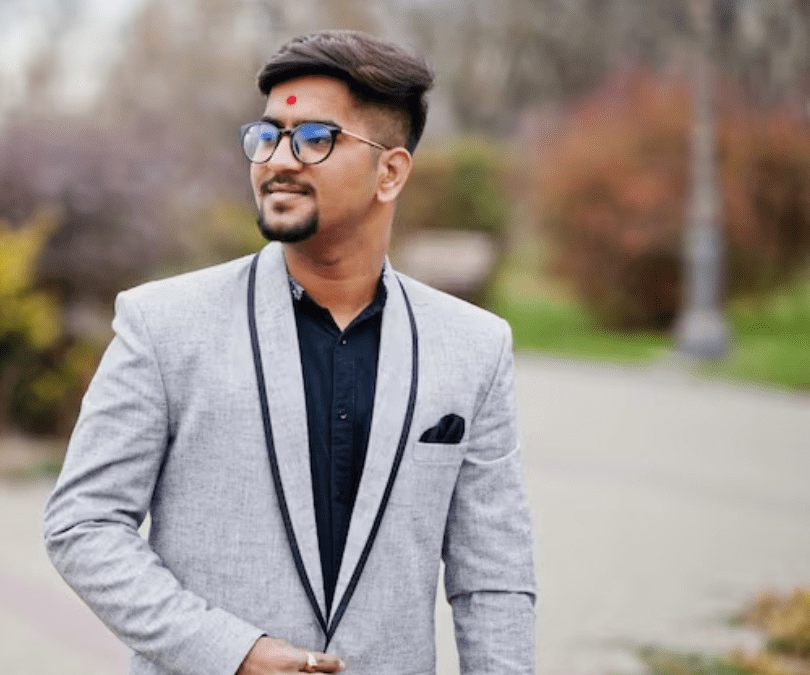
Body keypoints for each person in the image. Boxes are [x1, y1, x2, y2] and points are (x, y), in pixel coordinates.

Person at [43, 30, 536, 675]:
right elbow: (84, 526)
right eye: (268, 135)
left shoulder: (474, 346)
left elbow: (493, 577)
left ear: (389, 172)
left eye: (315, 139)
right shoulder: (162, 325)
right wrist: (233, 652)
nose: (279, 159)